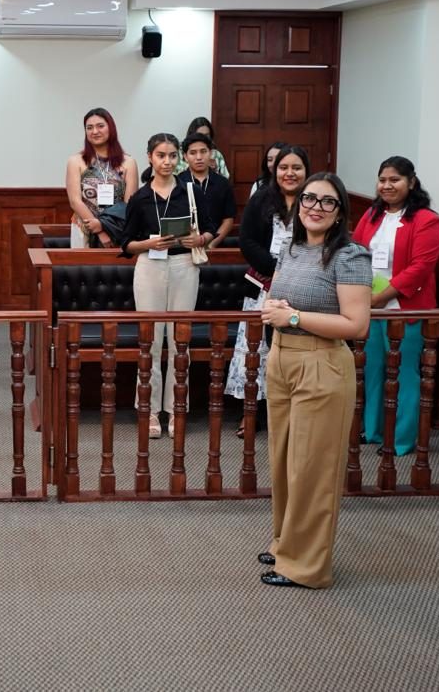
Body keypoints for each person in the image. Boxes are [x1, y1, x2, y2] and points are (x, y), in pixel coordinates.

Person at [259, 172, 372, 588]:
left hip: (322, 364)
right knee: (284, 462)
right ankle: (285, 544)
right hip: (282, 359)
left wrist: (292, 317)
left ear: (340, 212)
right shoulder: (290, 248)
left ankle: (306, 565)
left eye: (327, 202)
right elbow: (282, 300)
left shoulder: (349, 256)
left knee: (311, 469)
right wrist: (278, 310)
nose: (315, 207)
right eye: (309, 199)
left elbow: (356, 325)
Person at [120, 133, 216, 439]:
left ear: (179, 158)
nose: (167, 161)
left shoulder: (191, 191)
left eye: (173, 155)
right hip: (149, 265)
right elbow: (127, 244)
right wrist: (149, 243)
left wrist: (199, 239)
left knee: (179, 341)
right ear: (149, 157)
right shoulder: (140, 197)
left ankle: (177, 409)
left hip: (184, 265)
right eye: (161, 155)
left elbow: (210, 229)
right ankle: (148, 410)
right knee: (149, 340)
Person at [352, 156, 439, 456]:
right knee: (373, 369)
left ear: (411, 182)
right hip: (371, 307)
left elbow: (421, 267)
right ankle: (374, 430)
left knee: (404, 373)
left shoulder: (426, 219)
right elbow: (355, 250)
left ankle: (401, 440)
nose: (387, 186)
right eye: (382, 180)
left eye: (395, 180)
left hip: (406, 308)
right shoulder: (372, 215)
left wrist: (382, 297)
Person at [225, 145, 309, 436]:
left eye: (296, 167)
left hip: (303, 286)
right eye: (284, 167)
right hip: (263, 286)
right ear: (275, 170)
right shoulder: (261, 198)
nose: (290, 173)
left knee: (293, 351)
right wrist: (276, 271)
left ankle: (290, 413)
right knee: (256, 351)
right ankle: (250, 414)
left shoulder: (313, 200)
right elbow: (247, 241)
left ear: (306, 171)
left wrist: (293, 274)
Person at [65, 108, 138, 248]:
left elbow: (129, 204)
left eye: (100, 126)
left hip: (117, 228)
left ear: (111, 128)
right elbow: (75, 201)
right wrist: (99, 230)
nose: (95, 131)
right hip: (84, 228)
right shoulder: (75, 161)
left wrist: (106, 226)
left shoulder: (128, 162)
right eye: (89, 128)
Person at [176, 132, 236, 249]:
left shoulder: (223, 183)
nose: (199, 157)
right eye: (193, 153)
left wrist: (212, 244)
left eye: (203, 151)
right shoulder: (177, 183)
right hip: (185, 248)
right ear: (185, 157)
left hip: (215, 246)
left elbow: (228, 220)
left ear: (211, 153)